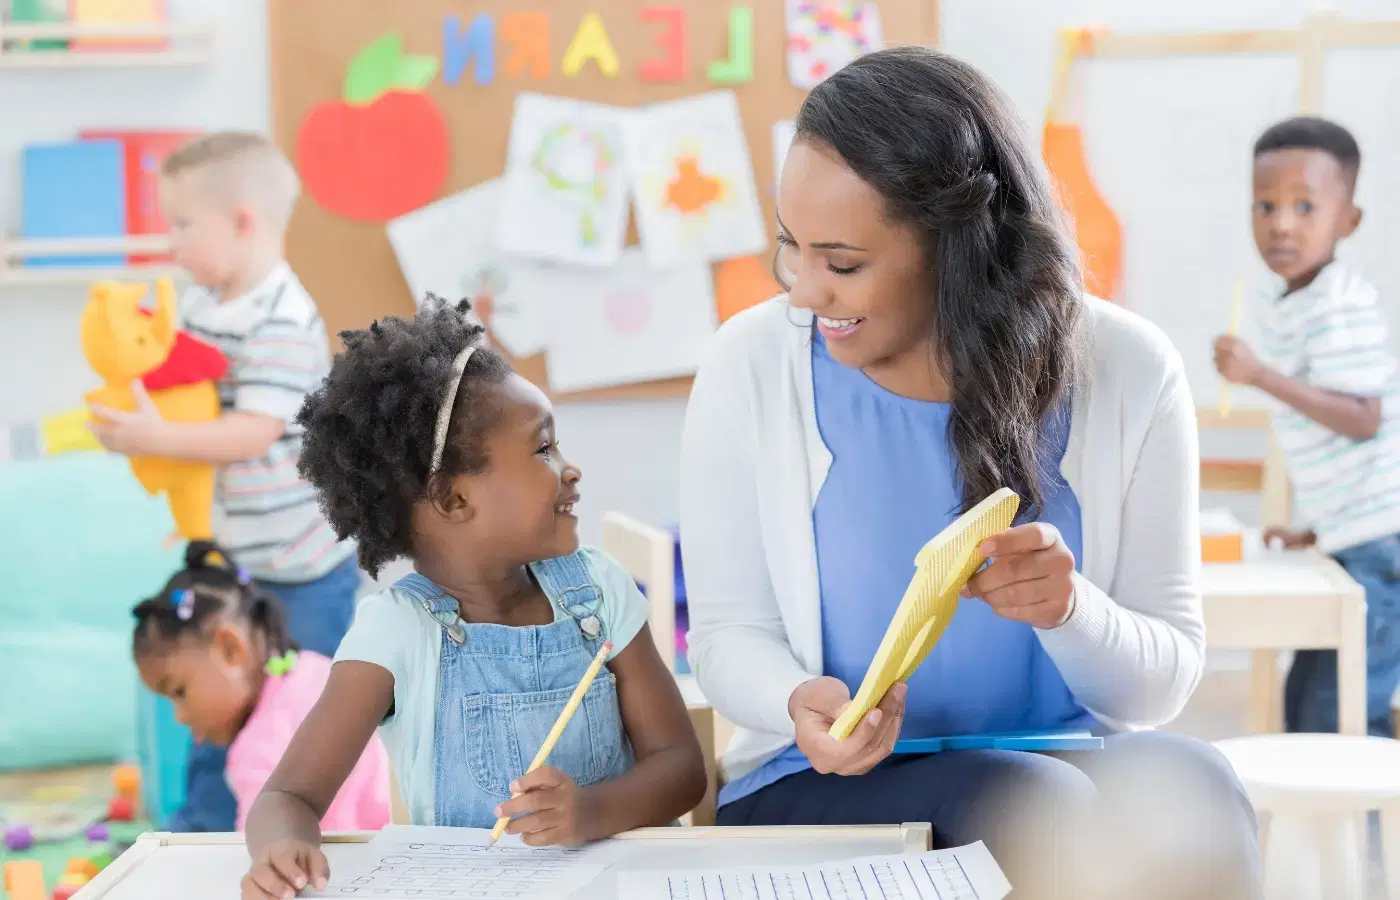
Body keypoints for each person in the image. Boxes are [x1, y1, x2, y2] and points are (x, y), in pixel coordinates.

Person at [679, 47, 1260, 900]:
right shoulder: (751, 366)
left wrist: (1070, 612)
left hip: (1070, 753)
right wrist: (797, 698)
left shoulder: (1129, 368)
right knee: (1035, 802)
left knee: (1201, 787)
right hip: (821, 786)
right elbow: (727, 637)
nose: (804, 291)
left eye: (841, 264)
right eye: (790, 250)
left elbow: (1162, 682)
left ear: (958, 250)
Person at [237, 298, 706, 900]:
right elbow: (288, 796)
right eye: (543, 449)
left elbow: (682, 769)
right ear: (453, 501)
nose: (571, 469)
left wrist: (590, 812)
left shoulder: (600, 592)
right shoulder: (396, 633)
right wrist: (282, 847)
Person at [88, 132, 360, 832]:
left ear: (242, 221)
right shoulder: (201, 305)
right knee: (216, 704)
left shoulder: (284, 319)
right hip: (239, 564)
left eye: (181, 223)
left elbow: (250, 433)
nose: (170, 243)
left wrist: (155, 437)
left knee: (298, 716)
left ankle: (311, 832)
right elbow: (186, 401)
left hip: (302, 571)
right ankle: (203, 832)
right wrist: (138, 421)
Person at [1215, 117, 1400, 737]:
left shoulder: (1340, 303)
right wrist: (1312, 529)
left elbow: (1363, 418)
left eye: (1305, 206)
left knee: (1342, 708)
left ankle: (1362, 832)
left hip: (1383, 544)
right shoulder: (1297, 299)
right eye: (1265, 205)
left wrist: (1260, 375)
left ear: (1348, 220)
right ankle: (1322, 834)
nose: (1282, 223)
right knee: (1311, 701)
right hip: (1357, 535)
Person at [133, 541, 390, 833]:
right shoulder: (312, 666)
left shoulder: (257, 750)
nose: (178, 716)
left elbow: (264, 856)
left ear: (230, 649)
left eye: (179, 692)